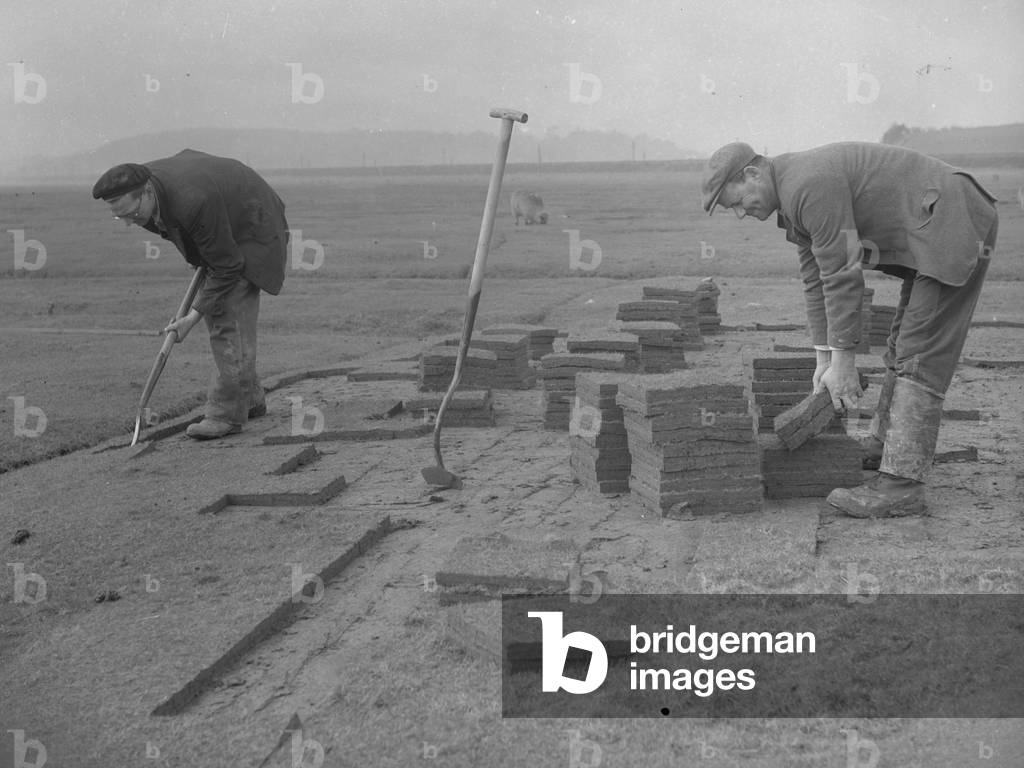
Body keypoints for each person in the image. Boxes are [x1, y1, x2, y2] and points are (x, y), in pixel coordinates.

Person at [700, 141, 998, 518]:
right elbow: (816, 279)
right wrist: (824, 359)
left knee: (919, 349)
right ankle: (884, 444)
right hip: (931, 226)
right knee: (901, 341)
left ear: (752, 174)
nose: (742, 213)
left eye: (737, 202)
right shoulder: (793, 198)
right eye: (733, 211)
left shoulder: (807, 185)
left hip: (951, 220)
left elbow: (842, 273)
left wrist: (845, 362)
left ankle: (902, 487)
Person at [93, 149, 289, 439]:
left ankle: (226, 415)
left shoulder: (192, 199)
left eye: (131, 214)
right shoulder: (142, 189)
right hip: (223, 219)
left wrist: (193, 315)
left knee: (226, 316)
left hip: (253, 224)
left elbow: (227, 265)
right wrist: (200, 256)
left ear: (146, 192)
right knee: (218, 306)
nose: (129, 222)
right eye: (120, 217)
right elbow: (176, 228)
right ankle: (249, 398)